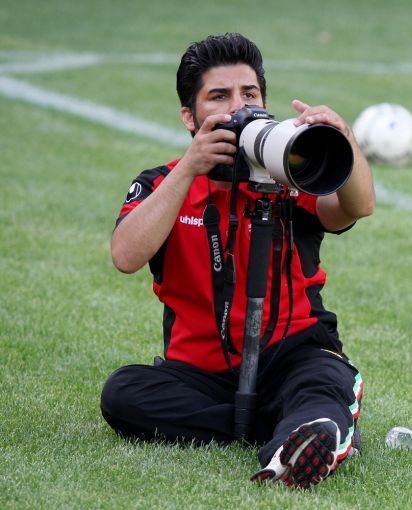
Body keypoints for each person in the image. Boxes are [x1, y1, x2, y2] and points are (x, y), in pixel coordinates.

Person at [100, 33, 375, 489]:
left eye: (249, 94)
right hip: (200, 373)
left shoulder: (289, 175)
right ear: (189, 116)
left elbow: (357, 206)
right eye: (219, 97)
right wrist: (190, 167)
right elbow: (125, 255)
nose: (237, 107)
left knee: (324, 377)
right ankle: (296, 425)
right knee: (123, 394)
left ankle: (306, 425)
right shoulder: (162, 183)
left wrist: (341, 138)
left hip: (294, 354)